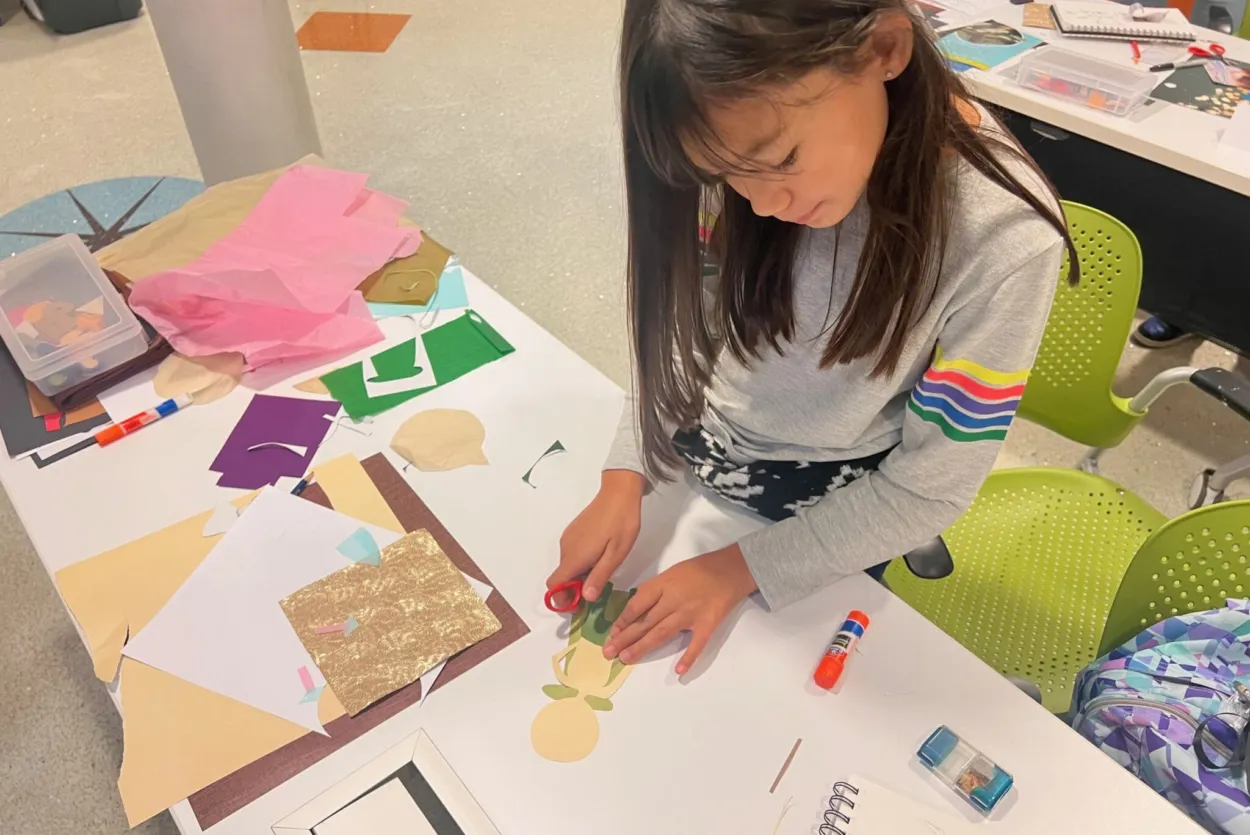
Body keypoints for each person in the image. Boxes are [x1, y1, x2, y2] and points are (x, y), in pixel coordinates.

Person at [548, 0, 1077, 676]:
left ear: (885, 48)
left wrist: (736, 569)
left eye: (782, 160)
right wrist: (626, 471)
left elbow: (928, 488)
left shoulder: (1000, 237)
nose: (759, 203)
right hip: (704, 459)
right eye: (725, 177)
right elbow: (689, 329)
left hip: (829, 511)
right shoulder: (734, 137)